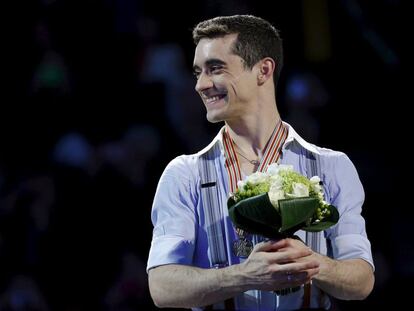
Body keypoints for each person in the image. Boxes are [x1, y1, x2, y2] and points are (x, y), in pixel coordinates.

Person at [147, 15, 374, 310]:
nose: (201, 85)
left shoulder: (331, 166)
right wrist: (244, 276)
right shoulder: (184, 174)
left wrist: (315, 264)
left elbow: (362, 279)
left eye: (215, 68)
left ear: (263, 70)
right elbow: (162, 286)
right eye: (197, 72)